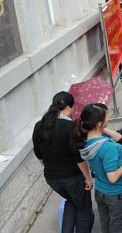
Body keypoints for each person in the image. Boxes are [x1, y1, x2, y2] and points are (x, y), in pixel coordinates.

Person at [32, 92, 94, 233]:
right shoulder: (70, 126)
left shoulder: (39, 126)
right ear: (68, 107)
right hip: (73, 178)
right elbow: (79, 158)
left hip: (52, 178)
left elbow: (38, 154)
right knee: (84, 210)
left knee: (71, 203)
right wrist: (87, 178)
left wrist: (51, 166)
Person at [74, 104, 122, 233]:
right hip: (117, 193)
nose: (109, 118)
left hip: (101, 191)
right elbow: (112, 178)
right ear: (99, 123)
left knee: (106, 225)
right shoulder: (107, 147)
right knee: (119, 228)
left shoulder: (86, 141)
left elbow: (121, 139)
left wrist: (101, 128)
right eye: (107, 116)